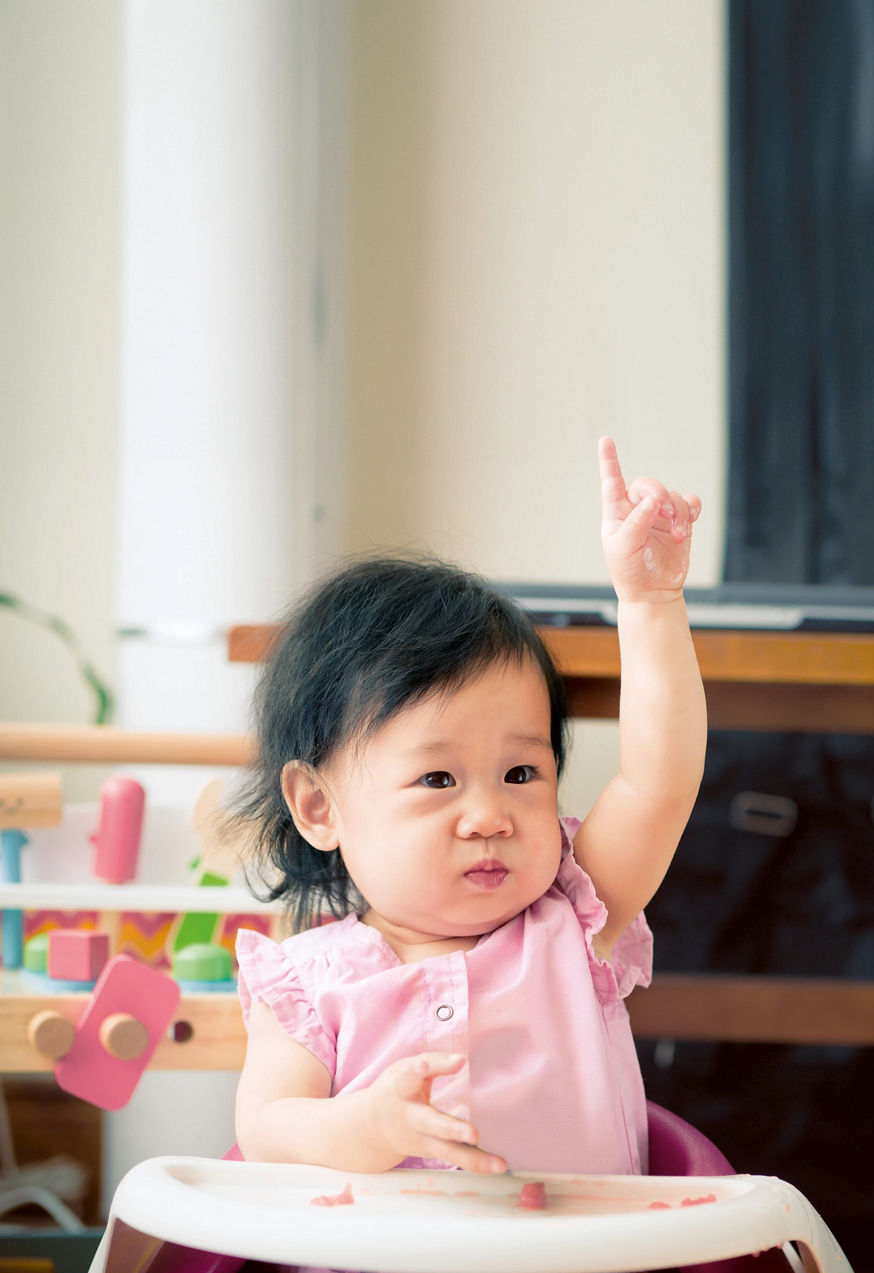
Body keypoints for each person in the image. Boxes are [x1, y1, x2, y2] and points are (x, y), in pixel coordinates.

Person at [233, 438, 705, 1181]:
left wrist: (649, 604)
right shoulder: (306, 982)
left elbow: (659, 781)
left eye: (520, 772)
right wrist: (364, 1128)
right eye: (437, 780)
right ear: (318, 807)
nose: (489, 815)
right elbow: (266, 1131)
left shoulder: (575, 923)